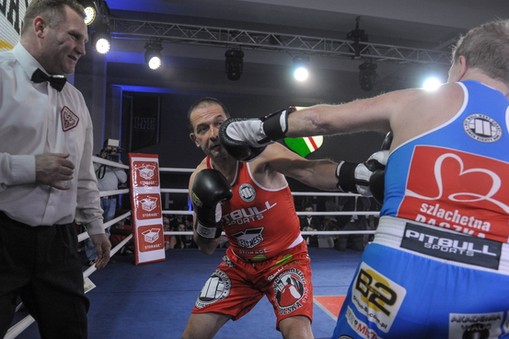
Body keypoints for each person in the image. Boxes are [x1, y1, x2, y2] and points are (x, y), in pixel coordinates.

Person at [220, 19, 509, 338]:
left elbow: (320, 120)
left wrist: (252, 130)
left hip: (396, 273)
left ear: (461, 65)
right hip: (496, 284)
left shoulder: (424, 100)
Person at [182, 97, 383, 339]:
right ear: (195, 139)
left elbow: (309, 170)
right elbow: (206, 247)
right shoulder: (198, 179)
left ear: (230, 124)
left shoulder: (258, 155)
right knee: (193, 334)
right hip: (239, 265)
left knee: (297, 332)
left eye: (219, 123)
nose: (213, 134)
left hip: (286, 259)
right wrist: (207, 215)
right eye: (203, 129)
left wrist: (359, 176)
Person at [0, 1, 111, 338]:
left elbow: (83, 173)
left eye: (85, 42)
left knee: (71, 331)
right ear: (40, 27)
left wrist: (96, 225)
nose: (82, 49)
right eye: (74, 36)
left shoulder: (75, 100)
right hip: (3, 235)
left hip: (59, 244)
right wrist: (29, 167)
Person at [85, 139, 127, 265]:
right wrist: (103, 159)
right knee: (94, 228)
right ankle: (92, 257)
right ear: (103, 148)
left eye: (114, 149)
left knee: (107, 228)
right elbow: (91, 174)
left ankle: (104, 256)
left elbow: (123, 178)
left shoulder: (117, 162)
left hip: (111, 199)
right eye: (110, 148)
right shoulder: (95, 159)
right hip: (97, 198)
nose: (112, 151)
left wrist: (112, 164)